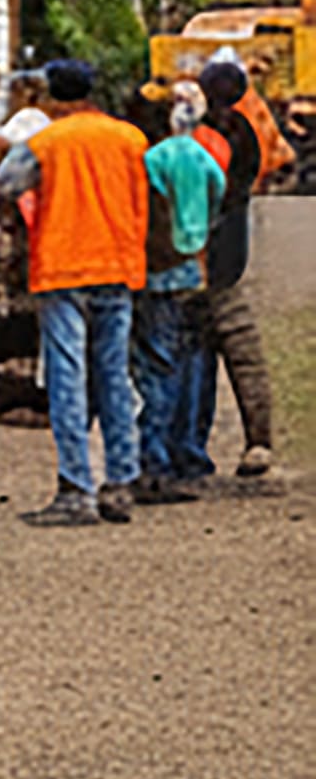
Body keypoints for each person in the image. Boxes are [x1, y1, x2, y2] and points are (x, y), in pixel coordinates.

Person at [9, 53, 148, 524]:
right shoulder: (130, 138)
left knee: (68, 378)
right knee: (114, 376)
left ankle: (75, 489)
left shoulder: (46, 141)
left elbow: (7, 181)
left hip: (63, 268)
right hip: (117, 264)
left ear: (52, 95)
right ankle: (121, 482)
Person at [197, 55, 281, 486]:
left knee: (191, 357)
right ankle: (258, 440)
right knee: (242, 351)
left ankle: (188, 450)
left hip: (197, 256)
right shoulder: (247, 133)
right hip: (234, 251)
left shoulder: (202, 137)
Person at [136, 87, 224, 499]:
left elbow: (148, 208)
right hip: (196, 268)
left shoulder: (155, 158)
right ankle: (189, 449)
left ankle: (155, 457)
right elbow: (218, 189)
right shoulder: (200, 154)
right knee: (194, 365)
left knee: (158, 365)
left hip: (161, 272)